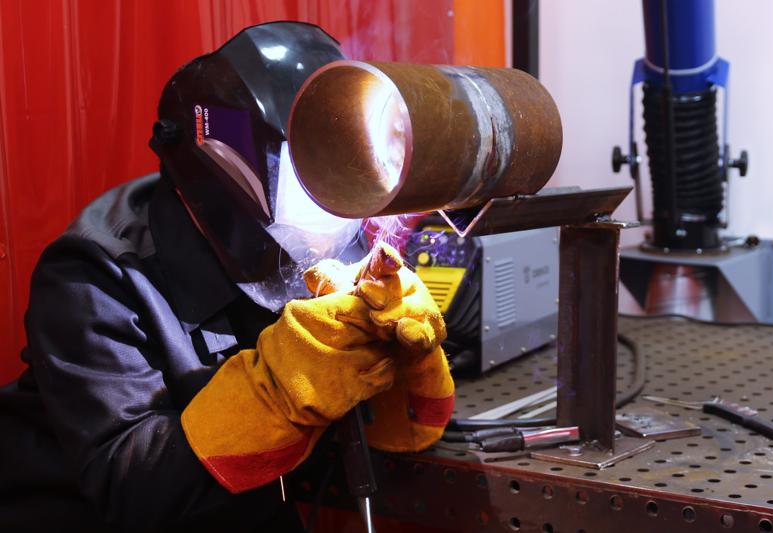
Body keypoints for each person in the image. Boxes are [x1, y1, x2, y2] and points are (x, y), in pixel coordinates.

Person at [0, 22, 453, 532]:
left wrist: (391, 361)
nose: (328, 211)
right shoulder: (94, 282)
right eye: (309, 178)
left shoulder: (320, 226)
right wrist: (278, 392)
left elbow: (348, 405)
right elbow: (134, 491)